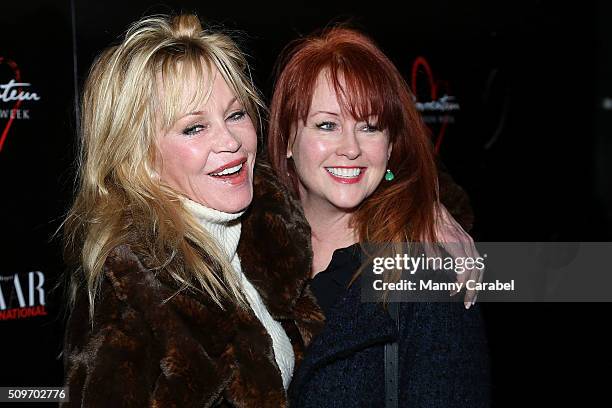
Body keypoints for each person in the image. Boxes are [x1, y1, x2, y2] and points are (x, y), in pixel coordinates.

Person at [61, 14, 323, 407]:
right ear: (140, 156)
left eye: (236, 114)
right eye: (194, 128)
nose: (231, 141)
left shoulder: (269, 234)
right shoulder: (133, 288)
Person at [268, 27, 490, 407]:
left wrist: (424, 205)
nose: (351, 148)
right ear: (289, 137)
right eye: (327, 125)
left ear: (389, 147)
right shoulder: (242, 254)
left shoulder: (429, 272)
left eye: (369, 127)